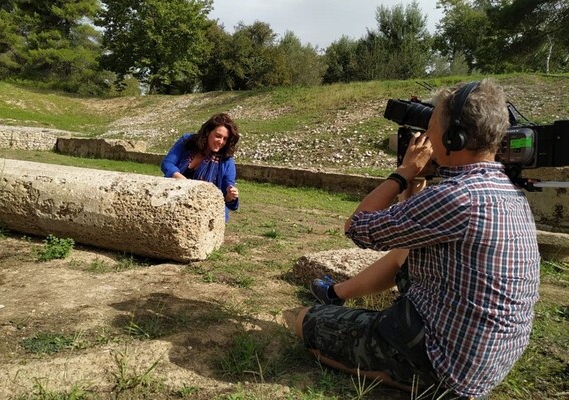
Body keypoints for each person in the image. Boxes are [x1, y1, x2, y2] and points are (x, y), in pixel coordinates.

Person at [295, 79, 540, 399]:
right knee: (405, 257)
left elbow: (357, 226)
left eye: (431, 126)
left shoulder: (457, 196)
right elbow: (411, 236)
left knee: (302, 321)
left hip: (446, 365)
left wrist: (404, 172)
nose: (425, 135)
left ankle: (404, 378)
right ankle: (338, 294)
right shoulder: (507, 192)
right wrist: (416, 183)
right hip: (486, 361)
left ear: (455, 137)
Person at [161, 113, 240, 221]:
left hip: (205, 214)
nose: (221, 142)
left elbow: (227, 197)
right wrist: (183, 181)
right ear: (208, 132)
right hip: (173, 201)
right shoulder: (187, 141)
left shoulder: (226, 161)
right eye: (218, 136)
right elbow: (167, 164)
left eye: (225, 139)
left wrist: (231, 195)